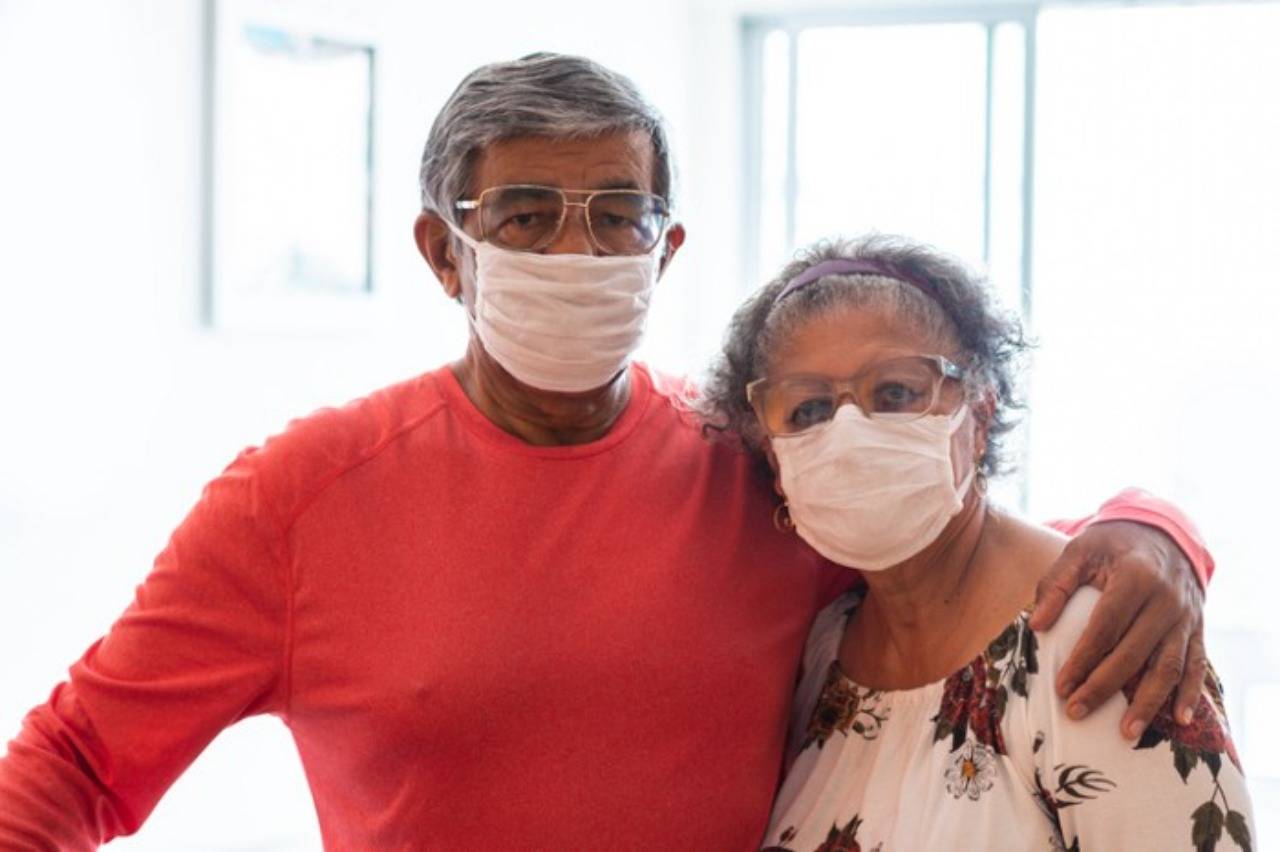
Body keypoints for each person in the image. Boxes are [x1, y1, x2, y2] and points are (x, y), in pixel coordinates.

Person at [0, 54, 1212, 850]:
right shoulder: (300, 499)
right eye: (524, 215)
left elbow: (957, 540)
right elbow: (70, 766)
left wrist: (1155, 528)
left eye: (616, 217)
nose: (576, 256)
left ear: (665, 246)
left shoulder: (744, 466)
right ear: (442, 251)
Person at [697, 236, 1252, 851]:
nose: (849, 432)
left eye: (895, 394)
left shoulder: (1105, 639)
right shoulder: (822, 651)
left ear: (979, 414)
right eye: (808, 410)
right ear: (774, 459)